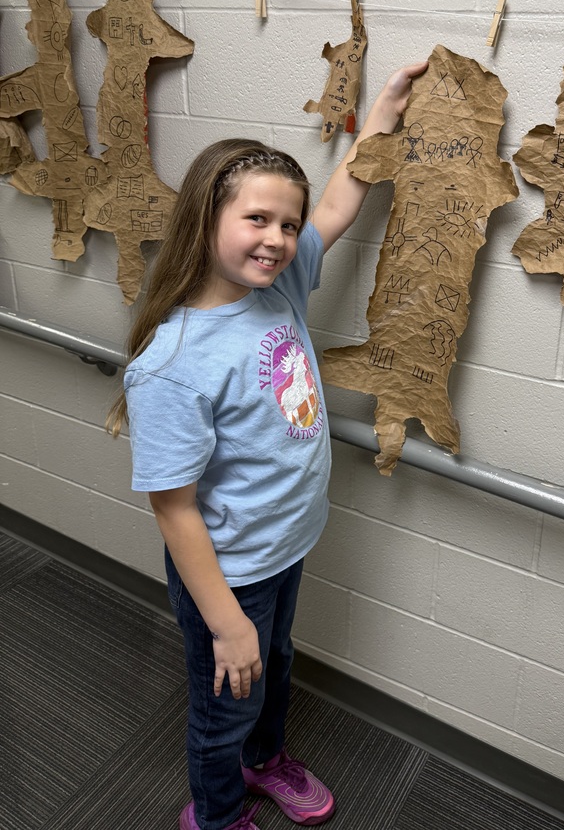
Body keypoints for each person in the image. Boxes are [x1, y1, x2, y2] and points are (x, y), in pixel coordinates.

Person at [107, 61, 428, 830]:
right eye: (257, 220)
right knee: (222, 703)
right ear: (205, 219)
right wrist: (224, 620)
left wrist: (380, 115)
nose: (279, 239)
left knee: (274, 669)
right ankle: (215, 815)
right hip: (227, 570)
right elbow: (174, 510)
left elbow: (340, 205)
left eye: (286, 224)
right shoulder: (174, 364)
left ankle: (265, 760)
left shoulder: (275, 287)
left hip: (284, 544)